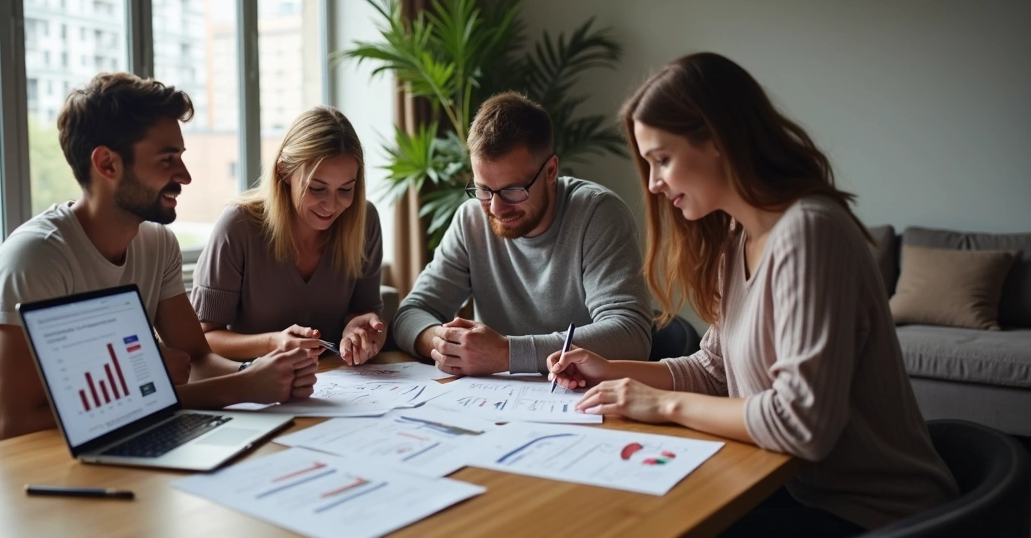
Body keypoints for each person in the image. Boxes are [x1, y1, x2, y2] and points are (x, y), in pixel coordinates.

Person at [548, 52, 957, 535]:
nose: (655, 184)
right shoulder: (737, 239)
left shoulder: (809, 233)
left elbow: (801, 424)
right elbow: (714, 370)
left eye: (662, 159)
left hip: (877, 516)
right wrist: (610, 369)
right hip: (801, 492)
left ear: (717, 139)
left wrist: (659, 404)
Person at [0, 73, 317, 454]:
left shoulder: (157, 244)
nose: (184, 176)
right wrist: (238, 386)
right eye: (168, 160)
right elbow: (13, 425)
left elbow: (197, 358)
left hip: (103, 445)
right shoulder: (36, 257)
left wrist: (263, 375)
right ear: (107, 164)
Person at [392, 92, 653, 376]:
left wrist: (507, 354)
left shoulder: (597, 214)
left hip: (582, 400)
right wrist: (445, 344)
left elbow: (631, 335)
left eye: (513, 190)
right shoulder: (471, 220)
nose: (496, 207)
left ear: (551, 170)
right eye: (483, 190)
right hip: (496, 405)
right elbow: (410, 313)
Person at [191, 106, 386, 366]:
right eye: (317, 188)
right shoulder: (238, 226)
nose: (331, 205)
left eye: (345, 189)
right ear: (284, 172)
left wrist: (361, 331)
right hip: (256, 387)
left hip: (337, 382)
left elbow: (368, 314)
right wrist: (274, 343)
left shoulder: (364, 220)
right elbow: (203, 338)